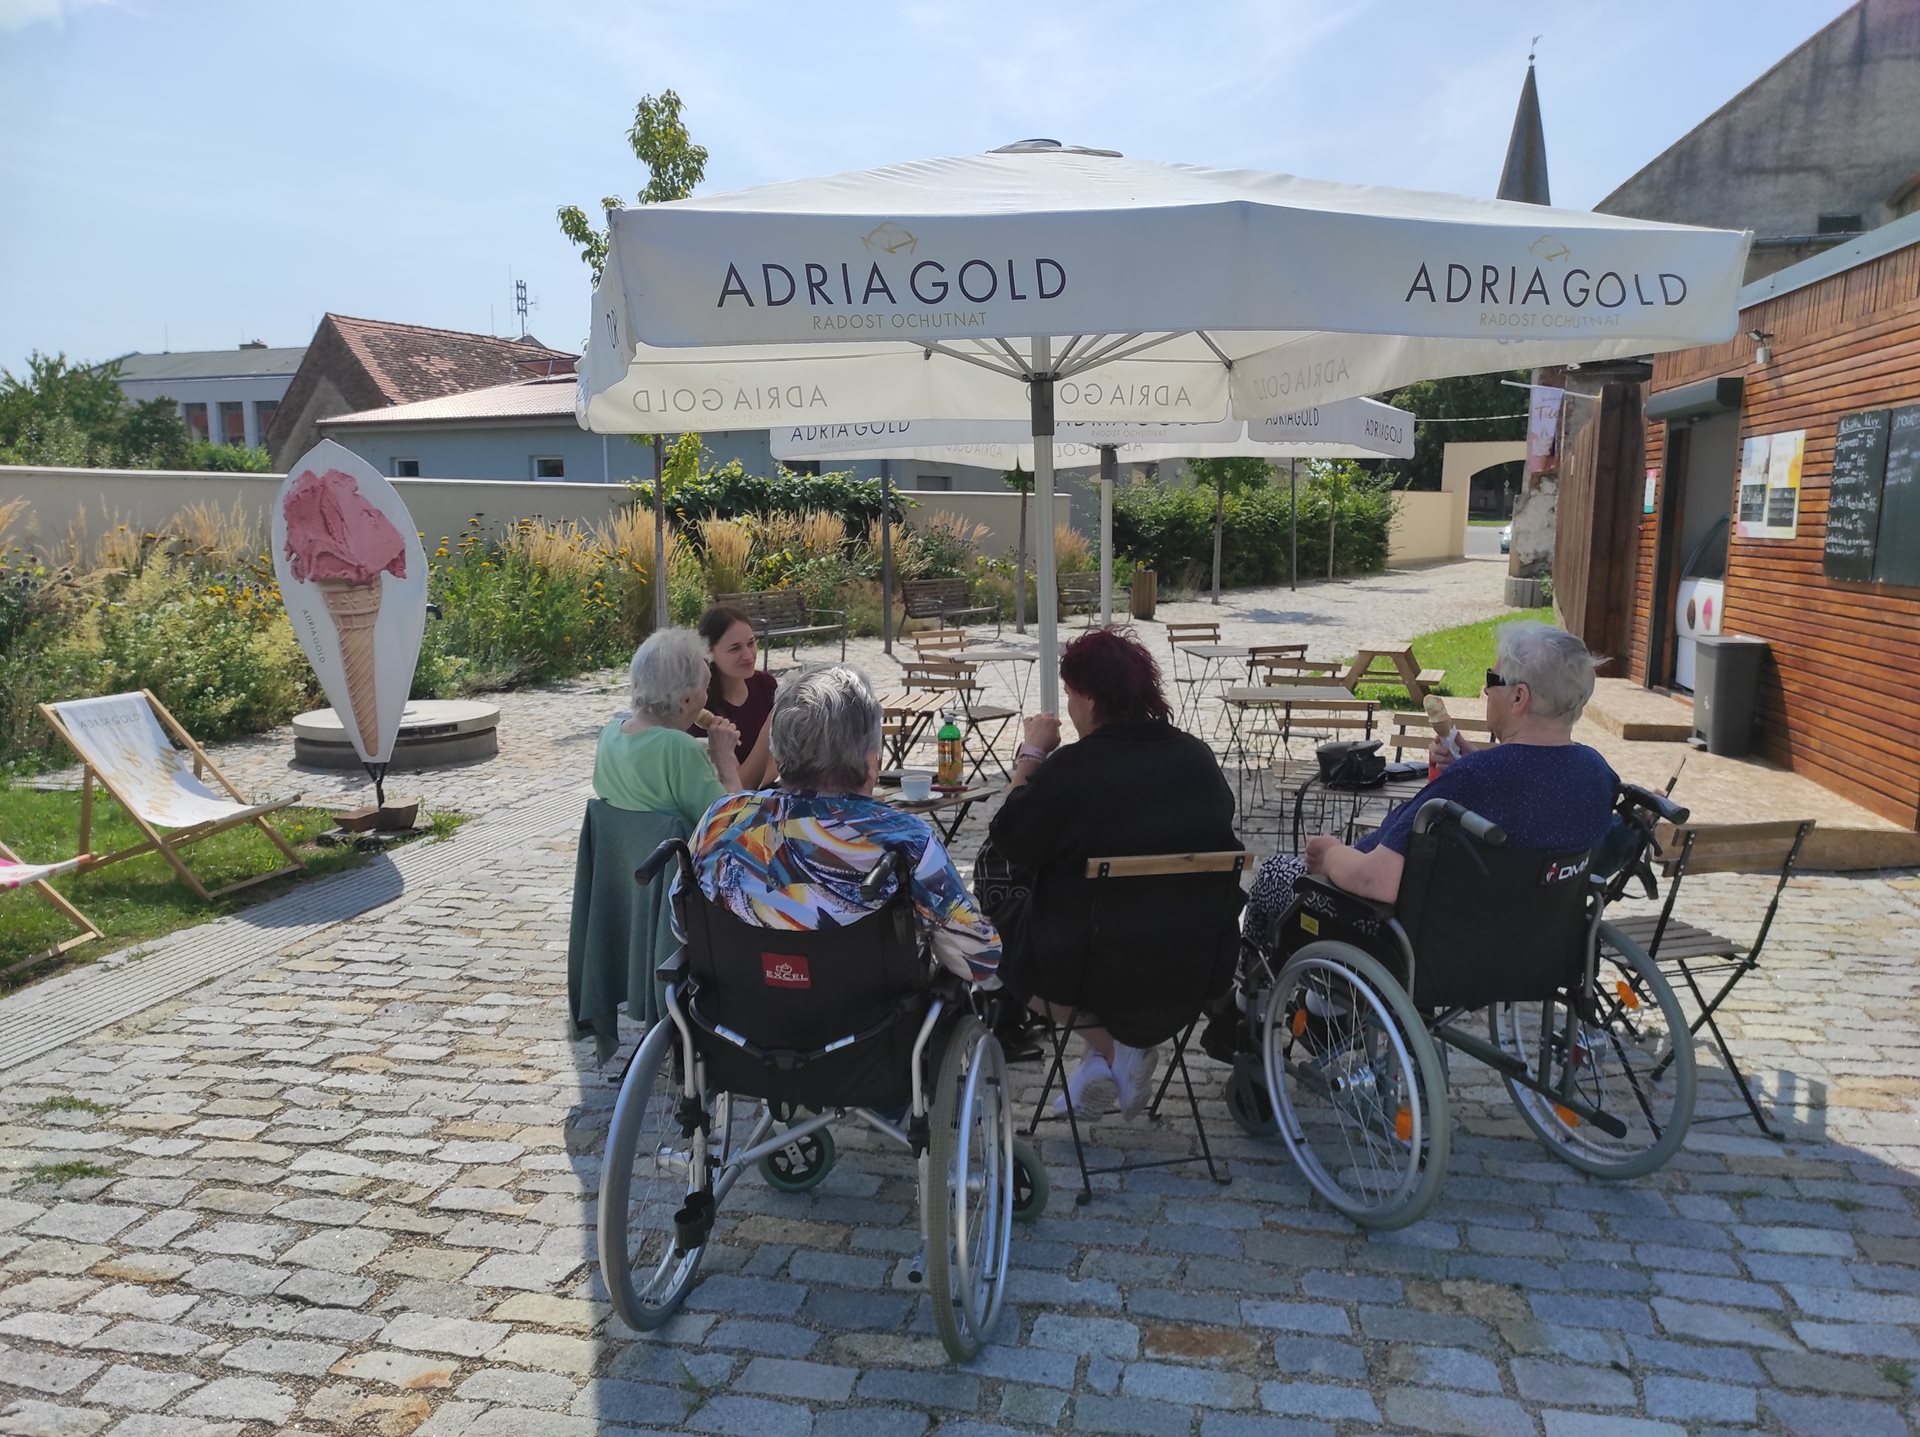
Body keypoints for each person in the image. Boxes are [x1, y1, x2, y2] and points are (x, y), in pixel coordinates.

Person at [981, 627, 1240, 1117]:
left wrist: (1031, 756)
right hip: (1195, 963)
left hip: (1089, 968)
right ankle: (1097, 1065)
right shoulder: (1197, 758)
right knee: (1098, 911)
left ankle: (1109, 1048)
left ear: (1090, 697)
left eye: (1071, 695)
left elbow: (1008, 838)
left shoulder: (1073, 768)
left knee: (993, 923)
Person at [1241, 620, 1619, 944]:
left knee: (1272, 875)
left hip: (1413, 935)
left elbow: (1376, 882)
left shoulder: (1475, 779)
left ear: (1519, 697)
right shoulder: (1597, 773)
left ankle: (1252, 998)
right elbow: (1533, 795)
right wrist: (1475, 761)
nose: (1486, 691)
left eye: (1492, 679)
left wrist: (1329, 854)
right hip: (1523, 941)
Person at [686, 664, 999, 986]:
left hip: (741, 1009)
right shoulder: (906, 839)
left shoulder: (722, 818)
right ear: (871, 760)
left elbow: (682, 925)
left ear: (777, 756)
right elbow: (980, 959)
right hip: (871, 1012)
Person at [594, 629, 742, 829]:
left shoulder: (609, 733)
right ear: (685, 700)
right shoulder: (679, 748)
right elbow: (729, 824)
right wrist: (725, 761)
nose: (706, 696)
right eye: (705, 688)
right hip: (673, 849)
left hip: (619, 848)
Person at [691, 605, 778, 788]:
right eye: (735, 648)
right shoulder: (699, 708)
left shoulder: (765, 685)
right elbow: (737, 787)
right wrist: (770, 727)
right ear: (709, 652)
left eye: (751, 643)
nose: (748, 656)